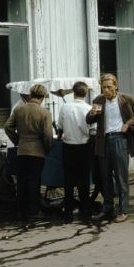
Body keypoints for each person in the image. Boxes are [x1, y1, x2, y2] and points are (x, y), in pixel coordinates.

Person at [86, 74, 134, 223]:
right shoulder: (98, 100)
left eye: (109, 87)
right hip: (103, 141)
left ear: (116, 86)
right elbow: (89, 120)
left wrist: (129, 124)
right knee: (104, 177)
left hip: (120, 139)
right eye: (103, 87)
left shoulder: (126, 99)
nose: (106, 90)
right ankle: (107, 208)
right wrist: (92, 113)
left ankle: (123, 210)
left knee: (121, 177)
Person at [4, 84, 53, 219]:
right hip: (37, 152)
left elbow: (7, 127)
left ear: (31, 94)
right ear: (43, 97)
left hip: (22, 151)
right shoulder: (45, 113)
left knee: (22, 181)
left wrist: (18, 141)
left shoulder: (19, 110)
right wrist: (47, 148)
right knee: (34, 181)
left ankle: (20, 210)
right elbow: (48, 135)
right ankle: (33, 211)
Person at [57, 81, 93, 223]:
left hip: (69, 146)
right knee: (84, 180)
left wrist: (60, 136)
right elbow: (92, 129)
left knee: (69, 180)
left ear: (73, 92)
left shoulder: (65, 107)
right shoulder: (89, 108)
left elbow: (60, 126)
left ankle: (68, 213)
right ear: (86, 93)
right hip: (84, 147)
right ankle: (85, 211)